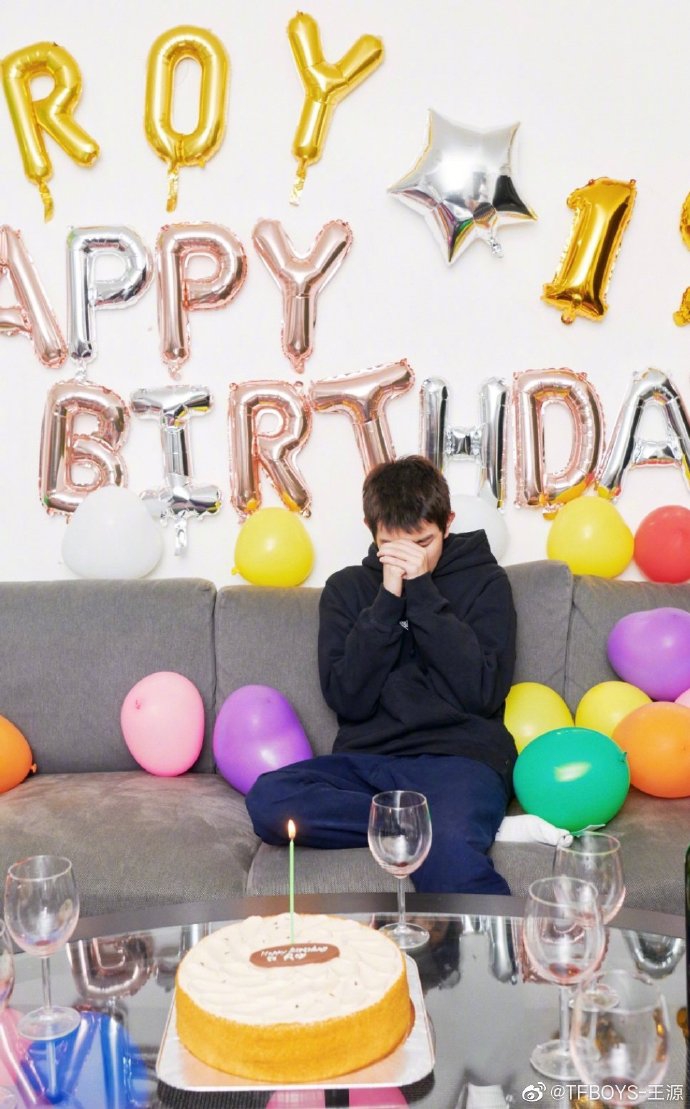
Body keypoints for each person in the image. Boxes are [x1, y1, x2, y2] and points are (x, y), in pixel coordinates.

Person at [245, 455, 517, 894]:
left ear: (448, 524)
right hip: (369, 764)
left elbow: (482, 692)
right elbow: (348, 699)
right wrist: (388, 601)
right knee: (269, 800)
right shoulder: (347, 590)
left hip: (459, 760)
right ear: (371, 533)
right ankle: (419, 824)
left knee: (447, 854)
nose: (410, 558)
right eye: (393, 546)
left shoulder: (486, 582)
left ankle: (499, 936)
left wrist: (422, 590)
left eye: (423, 542)